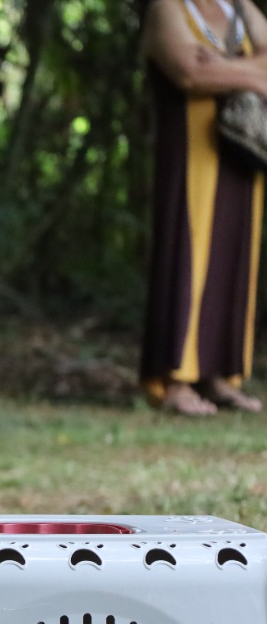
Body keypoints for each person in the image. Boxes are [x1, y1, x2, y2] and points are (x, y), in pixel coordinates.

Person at [140, 0, 266, 415]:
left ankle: (217, 377)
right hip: (190, 151)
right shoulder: (167, 8)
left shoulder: (240, 8)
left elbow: (208, 69)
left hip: (243, 152)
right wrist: (254, 73)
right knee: (186, 253)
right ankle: (175, 380)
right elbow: (189, 71)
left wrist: (221, 68)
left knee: (235, 259)